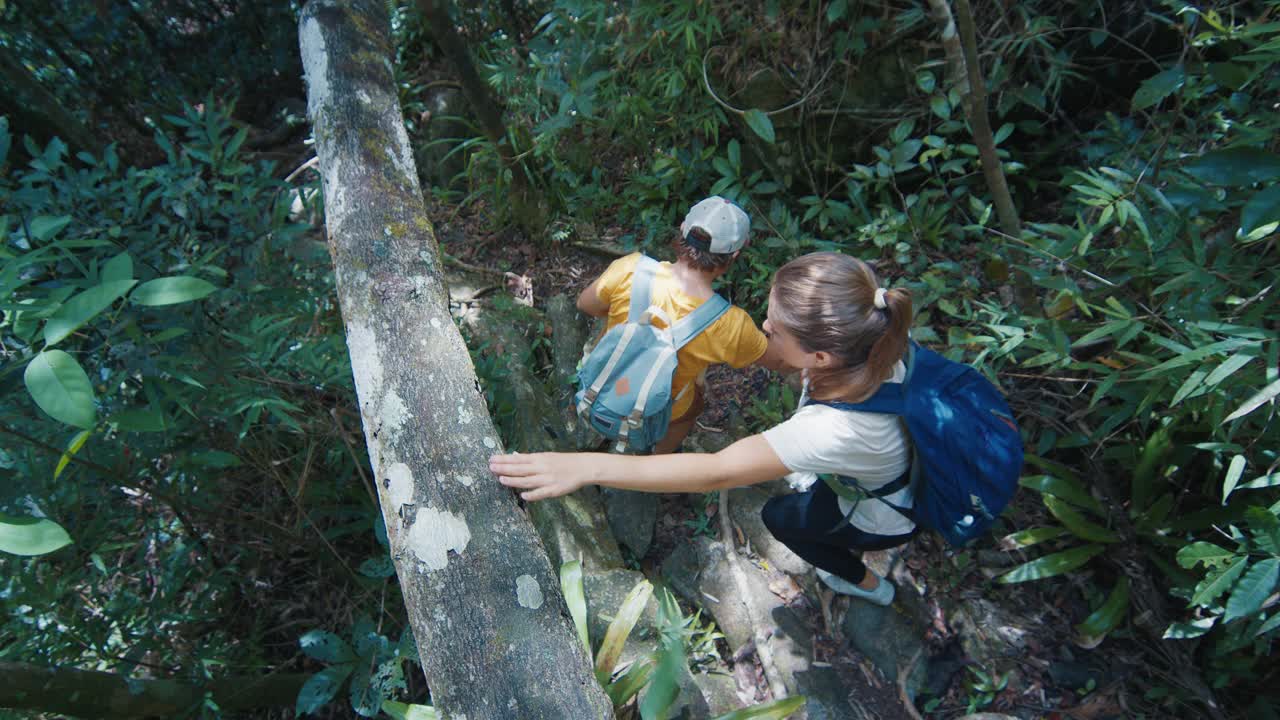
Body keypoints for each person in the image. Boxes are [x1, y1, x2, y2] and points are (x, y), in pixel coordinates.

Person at [493, 252, 915, 605]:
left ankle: (869, 586)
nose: (765, 328)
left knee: (782, 518)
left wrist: (585, 467)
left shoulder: (833, 429)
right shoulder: (875, 346)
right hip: (871, 467)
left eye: (776, 329)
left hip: (885, 511)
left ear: (820, 356)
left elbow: (716, 470)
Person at [575, 196, 785, 454]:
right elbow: (776, 361)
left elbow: (585, 304)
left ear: (683, 228)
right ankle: (658, 458)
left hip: (603, 382)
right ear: (734, 256)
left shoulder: (630, 269)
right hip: (656, 408)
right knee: (693, 405)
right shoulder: (731, 325)